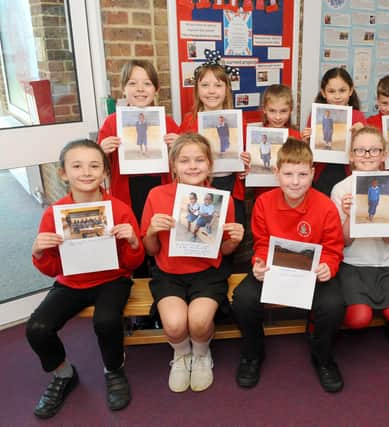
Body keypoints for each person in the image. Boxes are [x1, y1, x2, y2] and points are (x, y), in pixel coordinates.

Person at [26, 139, 145, 418]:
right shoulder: (53, 214)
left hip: (113, 279)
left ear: (105, 172)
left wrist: (134, 244)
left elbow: (132, 263)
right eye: (77, 166)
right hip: (71, 282)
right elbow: (53, 269)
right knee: (37, 328)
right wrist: (39, 252)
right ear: (63, 173)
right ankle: (63, 374)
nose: (86, 172)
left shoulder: (119, 209)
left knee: (106, 321)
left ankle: (113, 370)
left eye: (94, 166)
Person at [232, 138, 346, 393]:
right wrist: (258, 263)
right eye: (288, 174)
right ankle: (253, 354)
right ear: (276, 173)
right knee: (242, 298)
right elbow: (261, 243)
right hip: (276, 270)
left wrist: (328, 265)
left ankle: (323, 357)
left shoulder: (325, 206)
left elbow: (333, 248)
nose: (295, 181)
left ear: (313, 174)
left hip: (313, 274)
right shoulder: (264, 203)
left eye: (303, 174)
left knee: (334, 304)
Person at [140, 133, 244, 393]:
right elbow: (150, 251)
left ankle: (200, 354)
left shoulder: (223, 199)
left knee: (198, 322)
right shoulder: (156, 195)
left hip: (207, 272)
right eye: (184, 160)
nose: (193, 166)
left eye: (199, 159)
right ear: (173, 165)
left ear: (209, 164)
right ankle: (181, 354)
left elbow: (225, 250)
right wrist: (151, 231)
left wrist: (235, 239)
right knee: (175, 325)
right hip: (168, 272)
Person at [330, 126, 389, 334]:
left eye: (374, 150)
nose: (367, 155)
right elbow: (344, 242)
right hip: (351, 263)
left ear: (383, 155)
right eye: (360, 150)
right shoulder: (341, 189)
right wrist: (348, 215)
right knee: (359, 319)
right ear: (351, 156)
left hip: (383, 262)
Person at [98, 59, 180, 222]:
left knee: (157, 228)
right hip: (125, 188)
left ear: (156, 89)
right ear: (123, 89)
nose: (140, 89)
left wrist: (179, 146)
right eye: (133, 83)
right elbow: (99, 165)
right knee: (130, 228)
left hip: (159, 185)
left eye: (147, 83)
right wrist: (101, 150)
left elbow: (183, 161)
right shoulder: (112, 122)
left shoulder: (167, 122)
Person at [178, 59, 249, 229]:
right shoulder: (189, 121)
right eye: (205, 85)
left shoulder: (239, 123)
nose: (211, 91)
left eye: (218, 85)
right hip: (200, 186)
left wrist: (247, 165)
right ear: (197, 90)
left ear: (227, 90)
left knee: (230, 234)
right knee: (204, 231)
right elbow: (178, 160)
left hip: (231, 186)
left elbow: (247, 159)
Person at [302, 68, 366, 195]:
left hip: (348, 173)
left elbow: (367, 152)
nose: (337, 96)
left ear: (351, 91)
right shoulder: (316, 116)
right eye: (331, 91)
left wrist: (362, 134)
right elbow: (307, 154)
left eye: (342, 90)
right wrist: (306, 142)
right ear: (323, 93)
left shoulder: (358, 117)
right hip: (321, 175)